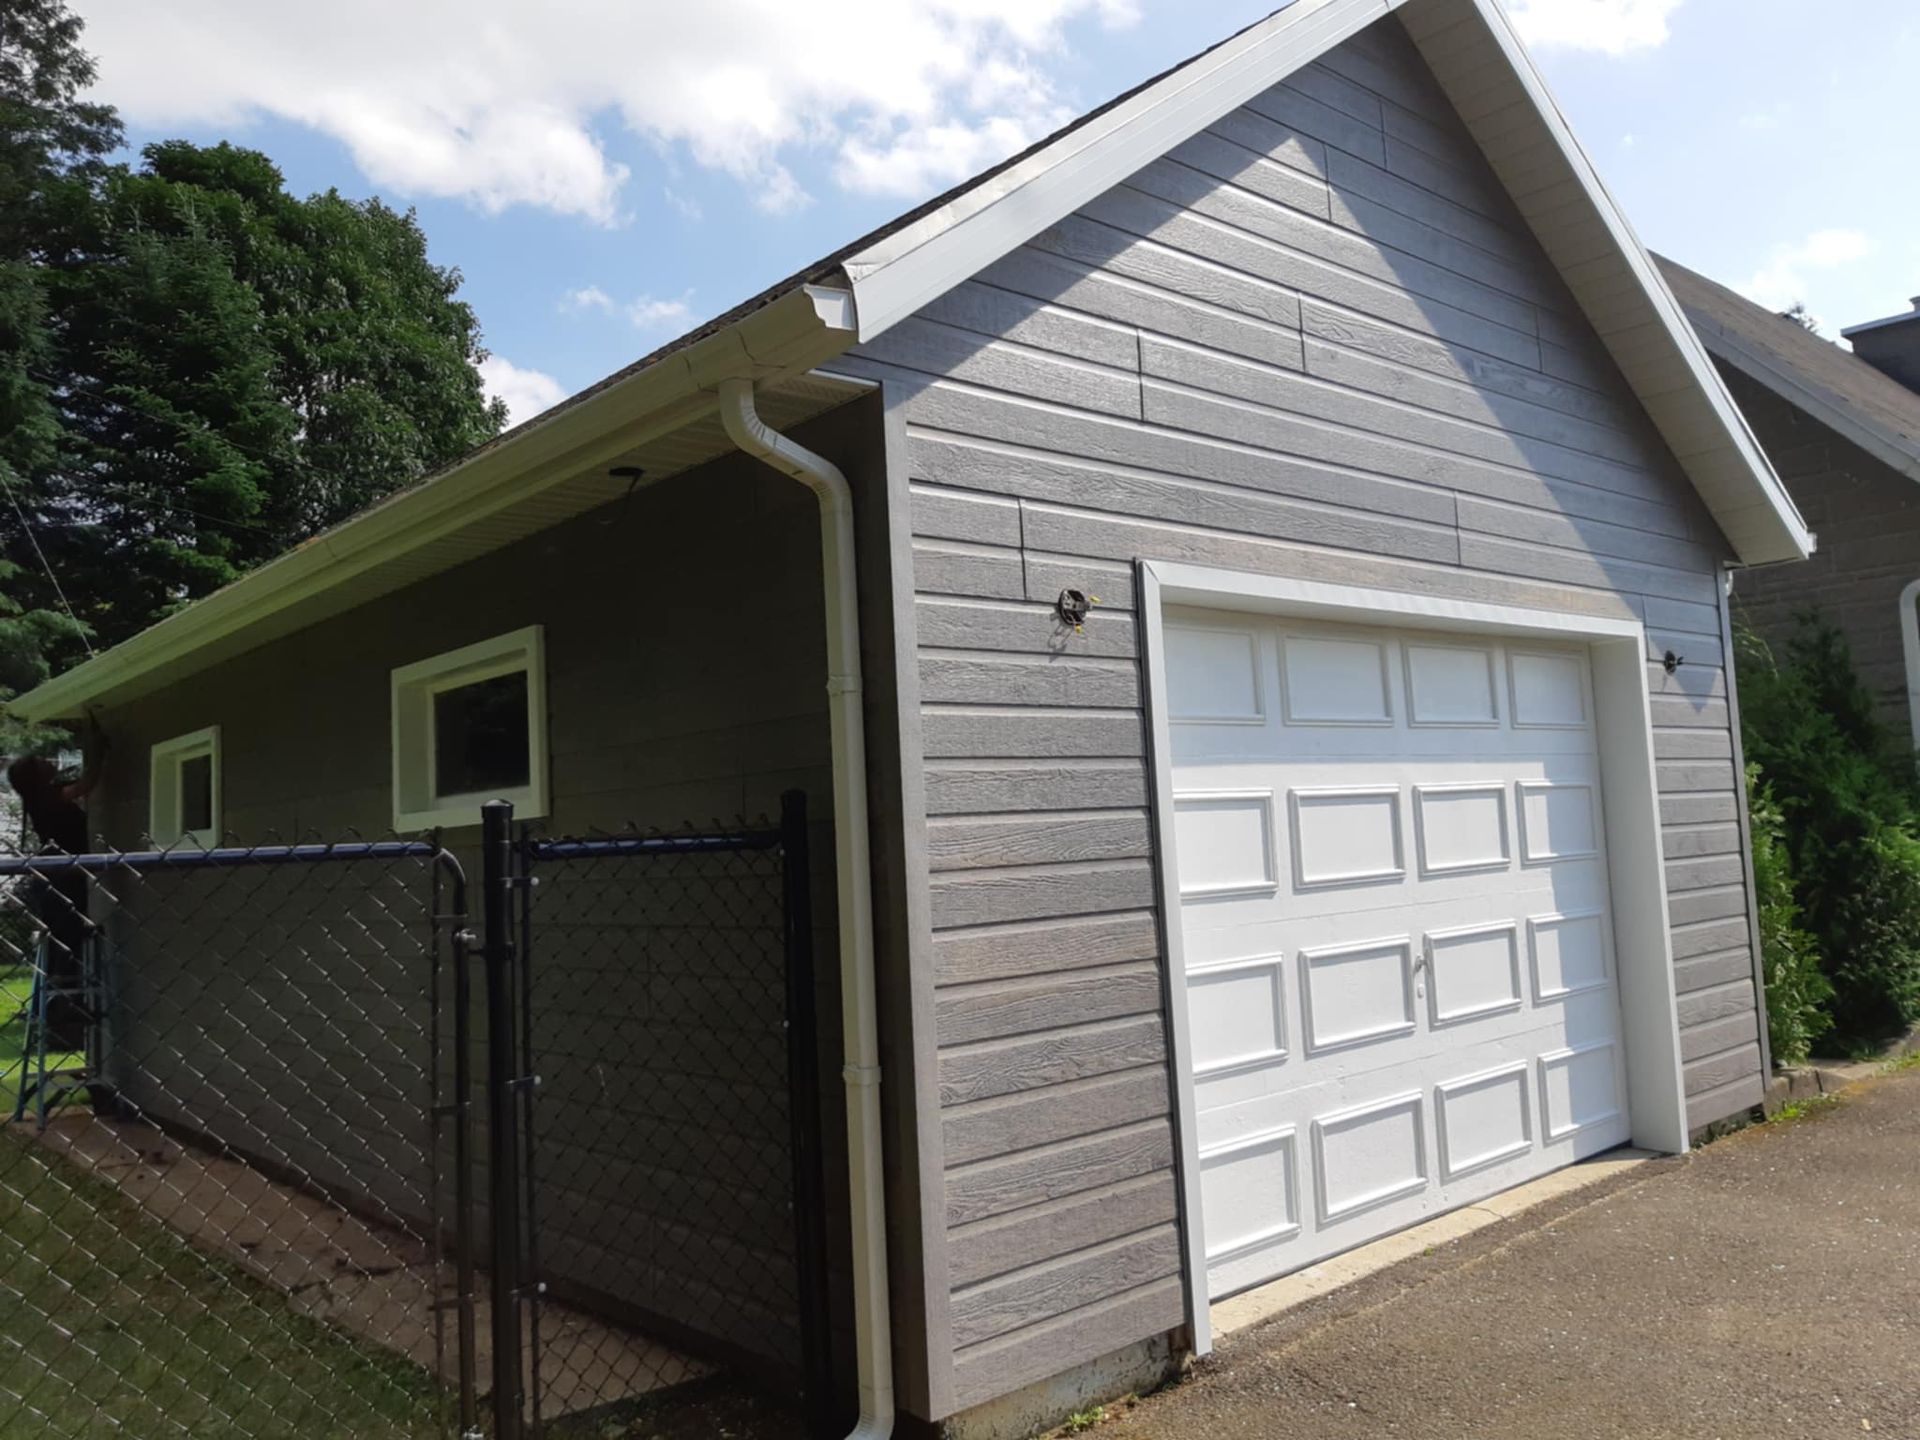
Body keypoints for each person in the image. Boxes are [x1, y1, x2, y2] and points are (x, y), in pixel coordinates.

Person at [6, 724, 108, 1052]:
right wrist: (101, 753)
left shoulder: (44, 795)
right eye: (44, 764)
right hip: (61, 882)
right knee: (68, 947)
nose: (51, 764)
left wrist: (92, 745)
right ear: (37, 777)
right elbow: (88, 782)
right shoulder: (52, 798)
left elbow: (78, 774)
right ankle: (63, 1021)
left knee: (64, 948)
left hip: (57, 880)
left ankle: (58, 1018)